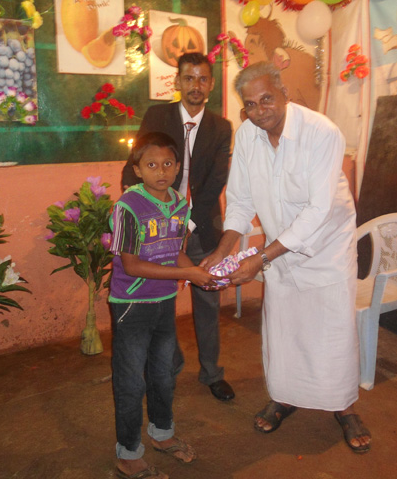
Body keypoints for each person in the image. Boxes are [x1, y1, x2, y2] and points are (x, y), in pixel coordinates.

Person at [202, 62, 372, 453]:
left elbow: (318, 210)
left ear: (284, 94)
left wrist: (261, 258)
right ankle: (285, 397)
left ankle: (344, 407)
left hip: (326, 247)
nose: (260, 110)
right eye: (250, 104)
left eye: (267, 99)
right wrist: (222, 251)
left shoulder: (321, 132)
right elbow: (241, 201)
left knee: (333, 332)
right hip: (279, 249)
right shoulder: (247, 136)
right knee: (284, 329)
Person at [121, 52, 235, 402]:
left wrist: (186, 224)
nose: (195, 85)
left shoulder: (221, 127)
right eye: (189, 78)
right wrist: (139, 212)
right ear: (177, 82)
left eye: (202, 79)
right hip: (156, 225)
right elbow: (134, 165)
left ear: (211, 84)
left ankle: (212, 372)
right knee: (158, 297)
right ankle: (169, 363)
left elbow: (215, 182)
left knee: (208, 299)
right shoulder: (157, 116)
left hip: (201, 225)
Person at [110, 132, 218, 479]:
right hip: (132, 305)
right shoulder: (128, 206)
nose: (161, 171)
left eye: (168, 164)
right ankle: (128, 453)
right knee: (131, 381)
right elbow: (131, 265)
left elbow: (175, 251)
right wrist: (186, 273)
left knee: (163, 374)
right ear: (137, 169)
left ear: (178, 167)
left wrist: (198, 272)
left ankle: (162, 433)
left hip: (164, 302)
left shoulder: (180, 204)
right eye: (152, 165)